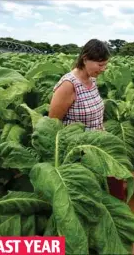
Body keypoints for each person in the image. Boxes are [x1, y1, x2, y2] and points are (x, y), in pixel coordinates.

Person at [49, 38, 126, 201]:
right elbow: (52, 124)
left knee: (116, 177)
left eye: (106, 64)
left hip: (98, 142)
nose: (103, 69)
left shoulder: (92, 80)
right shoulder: (68, 85)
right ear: (85, 59)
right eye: (100, 64)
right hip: (79, 149)